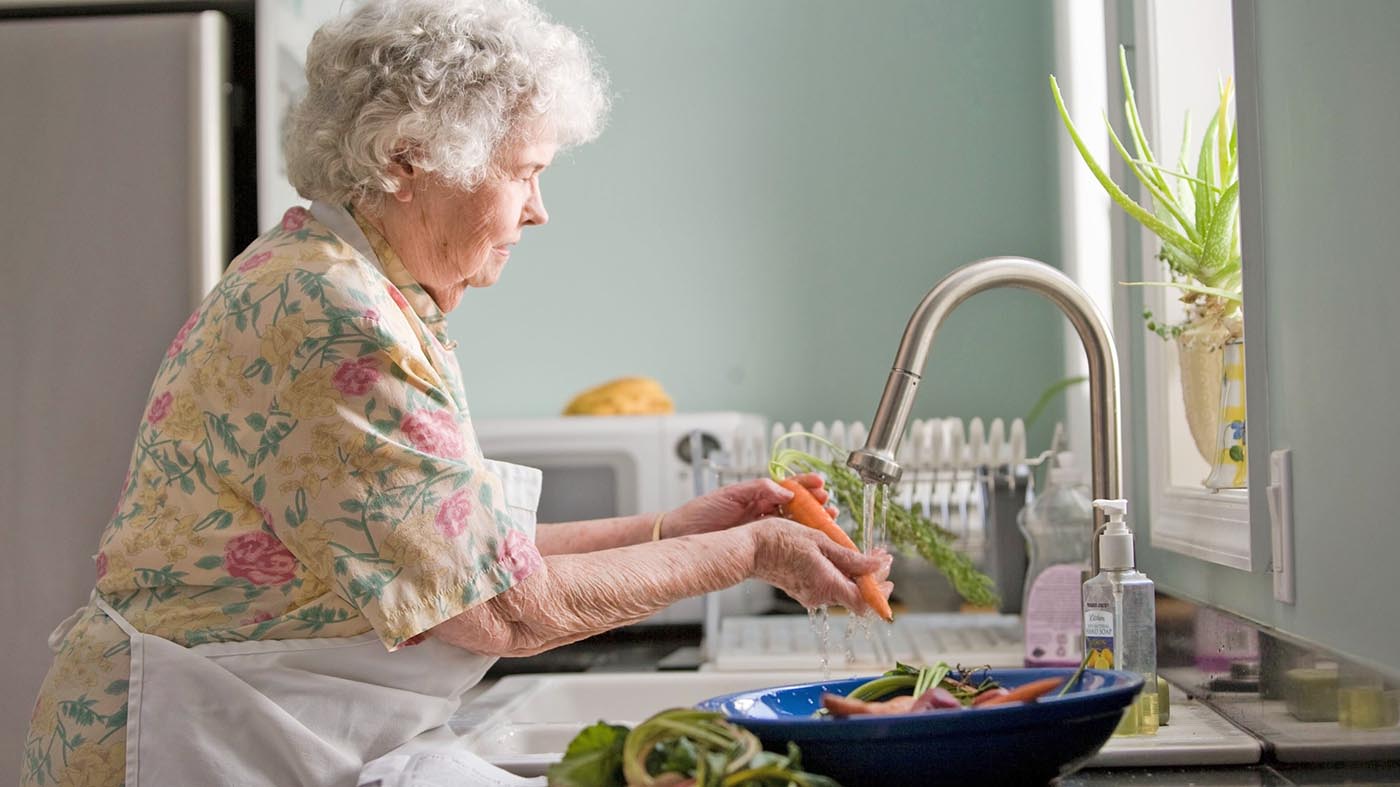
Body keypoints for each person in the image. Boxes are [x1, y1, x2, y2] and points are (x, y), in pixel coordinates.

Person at [20, 1, 892, 784]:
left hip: (243, 727)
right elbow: (499, 609)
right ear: (408, 159)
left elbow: (463, 555)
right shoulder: (335, 317)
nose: (540, 209)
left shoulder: (357, 288)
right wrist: (748, 553)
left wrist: (681, 527)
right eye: (524, 172)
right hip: (186, 746)